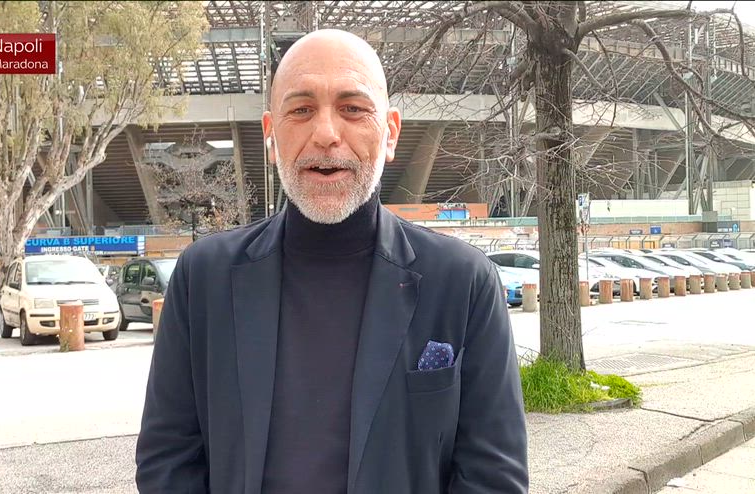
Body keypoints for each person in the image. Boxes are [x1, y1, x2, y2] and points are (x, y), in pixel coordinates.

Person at [135, 29, 528, 493]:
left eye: (353, 108)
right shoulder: (204, 279)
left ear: (390, 133)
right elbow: (167, 460)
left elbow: (493, 475)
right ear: (270, 135)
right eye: (301, 110)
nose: (325, 134)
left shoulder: (462, 282)